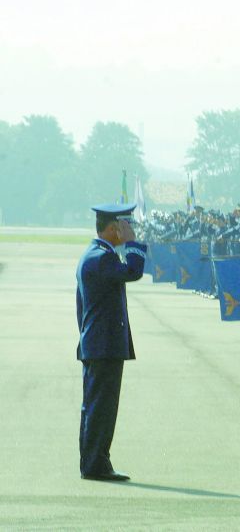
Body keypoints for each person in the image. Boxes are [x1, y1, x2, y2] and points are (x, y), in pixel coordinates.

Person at [75, 203, 147, 481]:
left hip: (98, 344)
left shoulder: (95, 255)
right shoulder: (101, 258)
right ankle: (95, 465)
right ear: (114, 227)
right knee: (101, 408)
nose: (129, 230)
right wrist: (133, 243)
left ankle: (95, 462)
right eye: (125, 226)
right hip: (103, 346)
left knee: (97, 407)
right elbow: (134, 272)